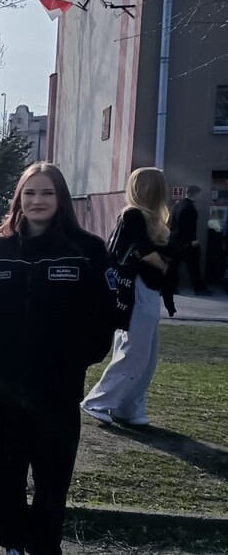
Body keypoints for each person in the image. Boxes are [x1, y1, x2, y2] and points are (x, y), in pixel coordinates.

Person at [0, 163, 116, 555]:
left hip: (56, 391)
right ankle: (12, 552)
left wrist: (75, 362)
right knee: (6, 476)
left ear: (61, 200)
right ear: (18, 199)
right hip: (3, 391)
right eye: (30, 193)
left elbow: (104, 317)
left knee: (52, 477)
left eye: (47, 193)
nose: (37, 201)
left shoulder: (86, 250)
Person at [82, 167, 173, 427]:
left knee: (146, 355)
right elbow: (144, 252)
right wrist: (167, 266)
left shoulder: (141, 217)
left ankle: (128, 406)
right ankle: (99, 401)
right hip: (135, 288)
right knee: (134, 351)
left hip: (144, 288)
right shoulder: (133, 215)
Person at [170, 185, 211, 294]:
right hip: (187, 243)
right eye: (199, 194)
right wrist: (192, 241)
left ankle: (170, 287)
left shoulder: (176, 206)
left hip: (174, 241)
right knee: (194, 266)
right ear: (195, 194)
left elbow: (172, 223)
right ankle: (199, 289)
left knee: (174, 266)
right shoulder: (190, 208)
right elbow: (189, 227)